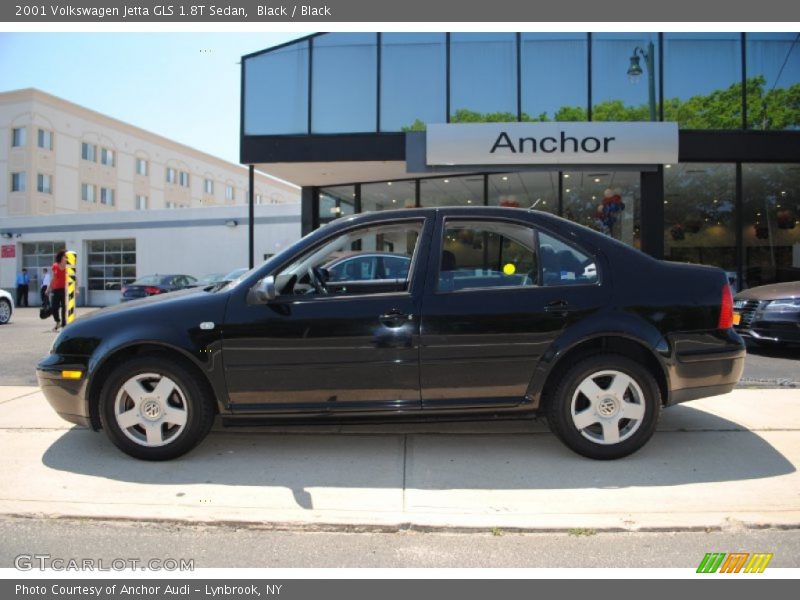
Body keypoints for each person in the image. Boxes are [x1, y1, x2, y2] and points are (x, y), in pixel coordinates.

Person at [47, 250, 68, 331]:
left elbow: (74, 278)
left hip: (64, 290)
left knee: (64, 308)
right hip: (55, 289)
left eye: (67, 257)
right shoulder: (55, 266)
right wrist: (48, 289)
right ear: (61, 257)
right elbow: (53, 279)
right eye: (65, 256)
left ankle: (64, 325)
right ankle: (58, 321)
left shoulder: (68, 267)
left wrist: (76, 289)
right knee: (54, 308)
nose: (66, 258)